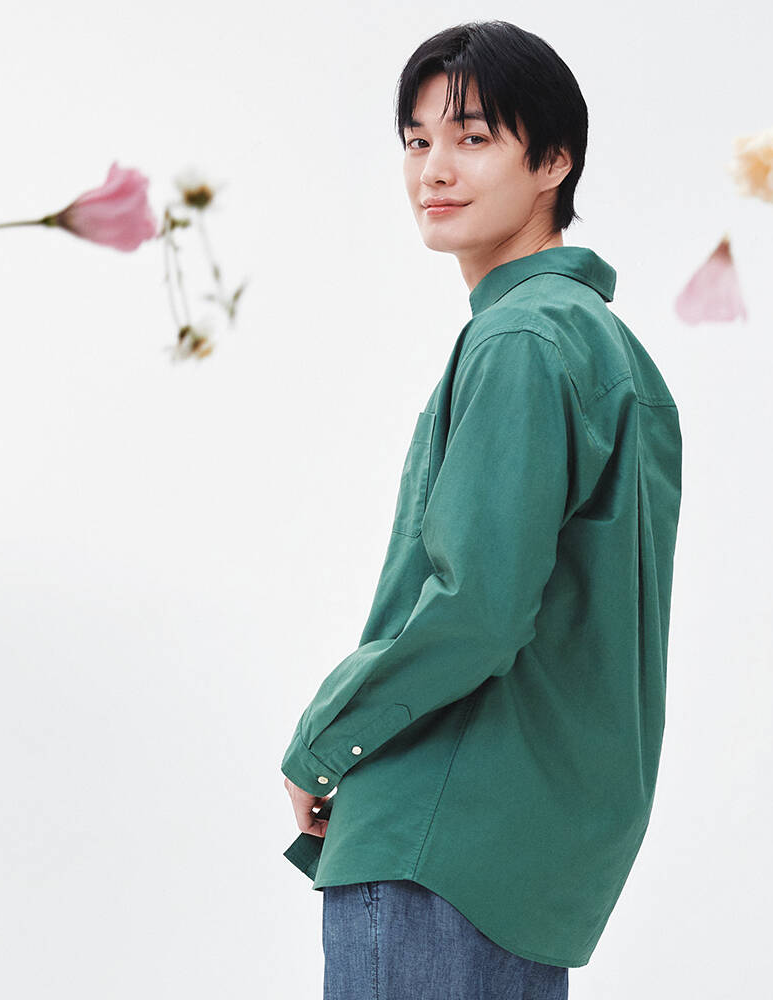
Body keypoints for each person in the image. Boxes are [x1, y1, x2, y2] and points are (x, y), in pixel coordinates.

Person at [281, 19, 682, 1000]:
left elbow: (479, 606)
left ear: (553, 159)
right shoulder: (606, 348)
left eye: (471, 137)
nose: (434, 169)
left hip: (436, 839)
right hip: (526, 855)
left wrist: (326, 741)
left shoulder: (521, 340)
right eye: (416, 141)